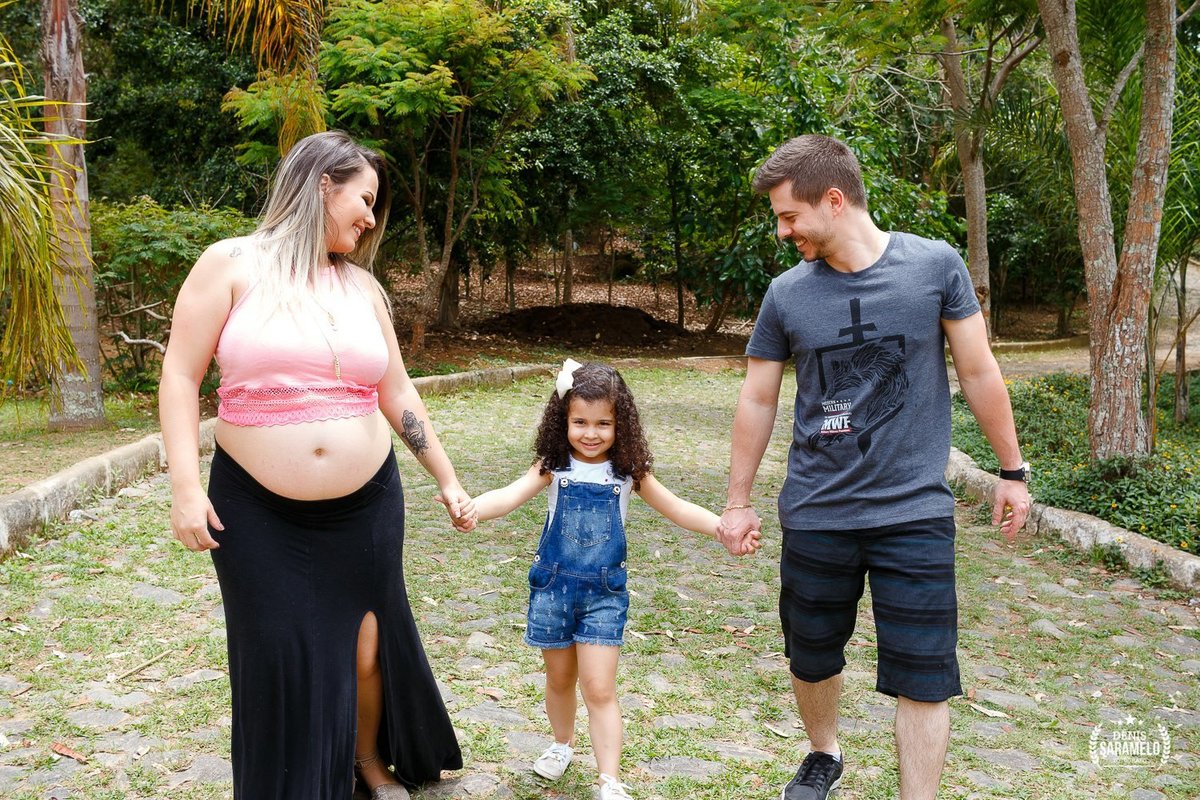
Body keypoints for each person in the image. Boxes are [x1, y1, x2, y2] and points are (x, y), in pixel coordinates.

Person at [159, 130, 473, 800]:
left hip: (367, 505)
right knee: (275, 649)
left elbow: (398, 391)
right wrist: (186, 489)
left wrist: (445, 477)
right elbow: (180, 376)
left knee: (366, 648)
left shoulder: (361, 288)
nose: (369, 217)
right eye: (363, 199)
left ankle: (366, 761)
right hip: (256, 509)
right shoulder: (231, 264)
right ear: (321, 184)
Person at [716, 134, 1032, 800]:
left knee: (925, 672)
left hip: (913, 510)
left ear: (833, 200)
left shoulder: (934, 267)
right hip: (816, 509)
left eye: (788, 215)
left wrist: (1012, 471)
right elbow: (758, 396)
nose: (782, 231)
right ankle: (824, 753)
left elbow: (978, 370)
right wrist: (737, 499)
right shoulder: (786, 295)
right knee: (811, 653)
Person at [449, 360, 760, 800]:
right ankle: (561, 745)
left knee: (599, 687)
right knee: (558, 680)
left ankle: (609, 780)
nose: (590, 433)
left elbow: (677, 507)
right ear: (564, 422)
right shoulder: (552, 466)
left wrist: (722, 529)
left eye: (602, 423)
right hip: (553, 587)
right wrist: (474, 507)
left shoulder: (629, 473)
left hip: (604, 595)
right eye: (580, 422)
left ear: (621, 424)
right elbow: (510, 495)